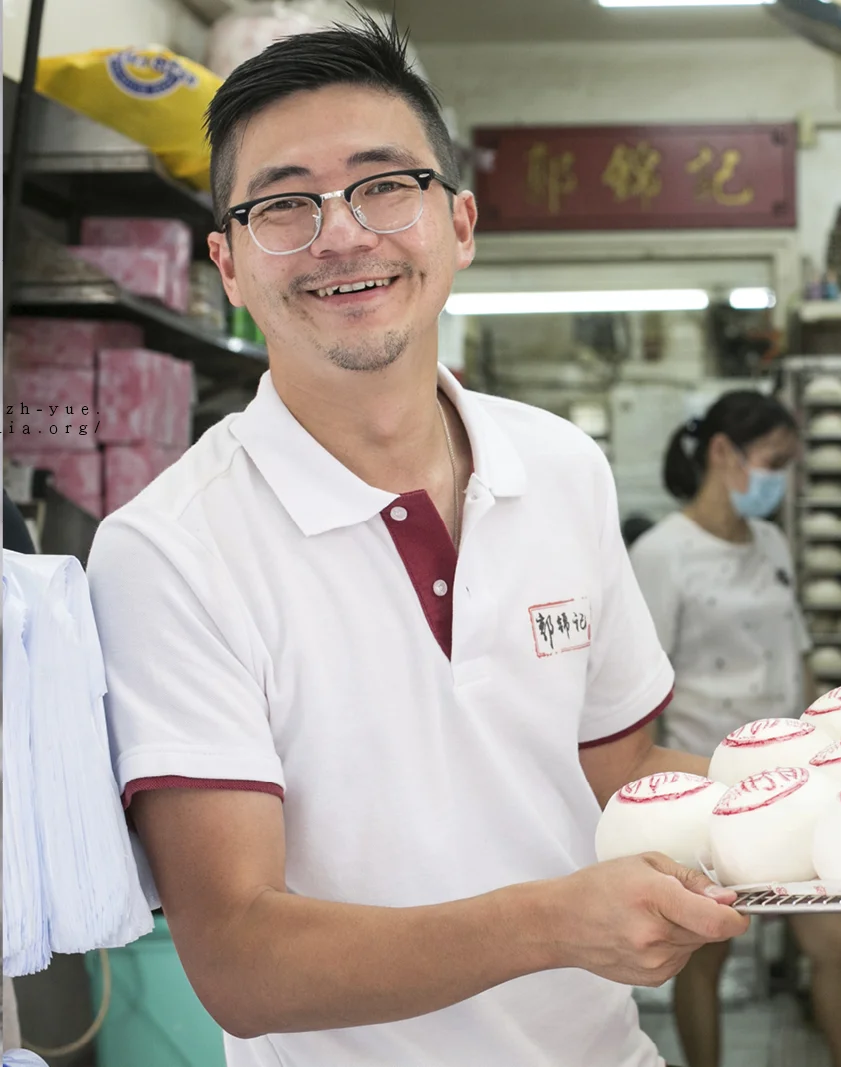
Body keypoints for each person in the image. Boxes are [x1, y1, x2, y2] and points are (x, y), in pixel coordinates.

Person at [84, 16, 745, 1067]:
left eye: (384, 184)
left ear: (460, 223)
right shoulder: (167, 549)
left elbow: (616, 768)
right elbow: (239, 955)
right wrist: (554, 921)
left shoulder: (560, 468)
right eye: (284, 204)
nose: (342, 233)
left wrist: (829, 799)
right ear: (229, 266)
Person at [628, 391, 841, 1067]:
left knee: (836, 945)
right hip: (708, 782)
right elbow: (639, 691)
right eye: (774, 461)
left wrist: (832, 751)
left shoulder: (771, 540)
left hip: (796, 782)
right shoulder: (661, 553)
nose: (781, 479)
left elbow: (797, 655)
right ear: (722, 453)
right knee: (707, 954)